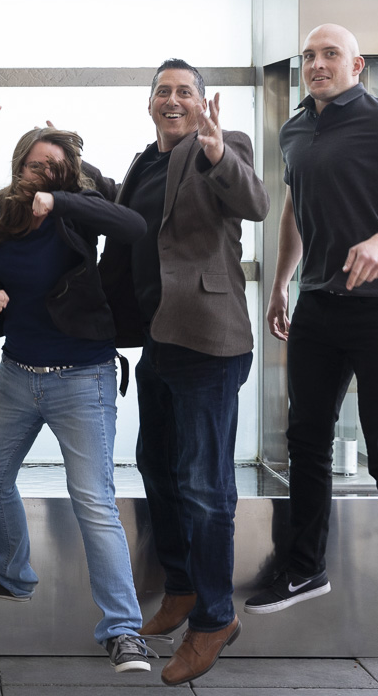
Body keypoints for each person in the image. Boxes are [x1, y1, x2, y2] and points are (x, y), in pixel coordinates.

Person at [247, 23, 378, 672]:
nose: (315, 63)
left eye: (329, 53)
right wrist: (281, 284)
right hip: (318, 306)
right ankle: (304, 568)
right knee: (304, 438)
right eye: (308, 55)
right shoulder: (297, 129)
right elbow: (296, 211)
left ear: (356, 63)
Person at [0, 127, 155, 674]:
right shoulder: (3, 209)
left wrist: (60, 198)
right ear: (20, 166)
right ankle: (13, 573)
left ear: (68, 174)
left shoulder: (79, 210)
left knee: (94, 501)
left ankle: (124, 631)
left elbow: (133, 227)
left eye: (56, 167)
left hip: (82, 378)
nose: (45, 172)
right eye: (37, 165)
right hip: (17, 374)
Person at [96, 59, 270, 685]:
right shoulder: (143, 164)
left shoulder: (220, 148)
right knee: (158, 469)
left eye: (185, 92)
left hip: (210, 342)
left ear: (202, 102)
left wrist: (220, 151)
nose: (174, 100)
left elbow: (255, 201)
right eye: (163, 92)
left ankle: (215, 619)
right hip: (160, 342)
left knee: (204, 485)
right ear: (149, 104)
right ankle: (183, 588)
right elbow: (125, 235)